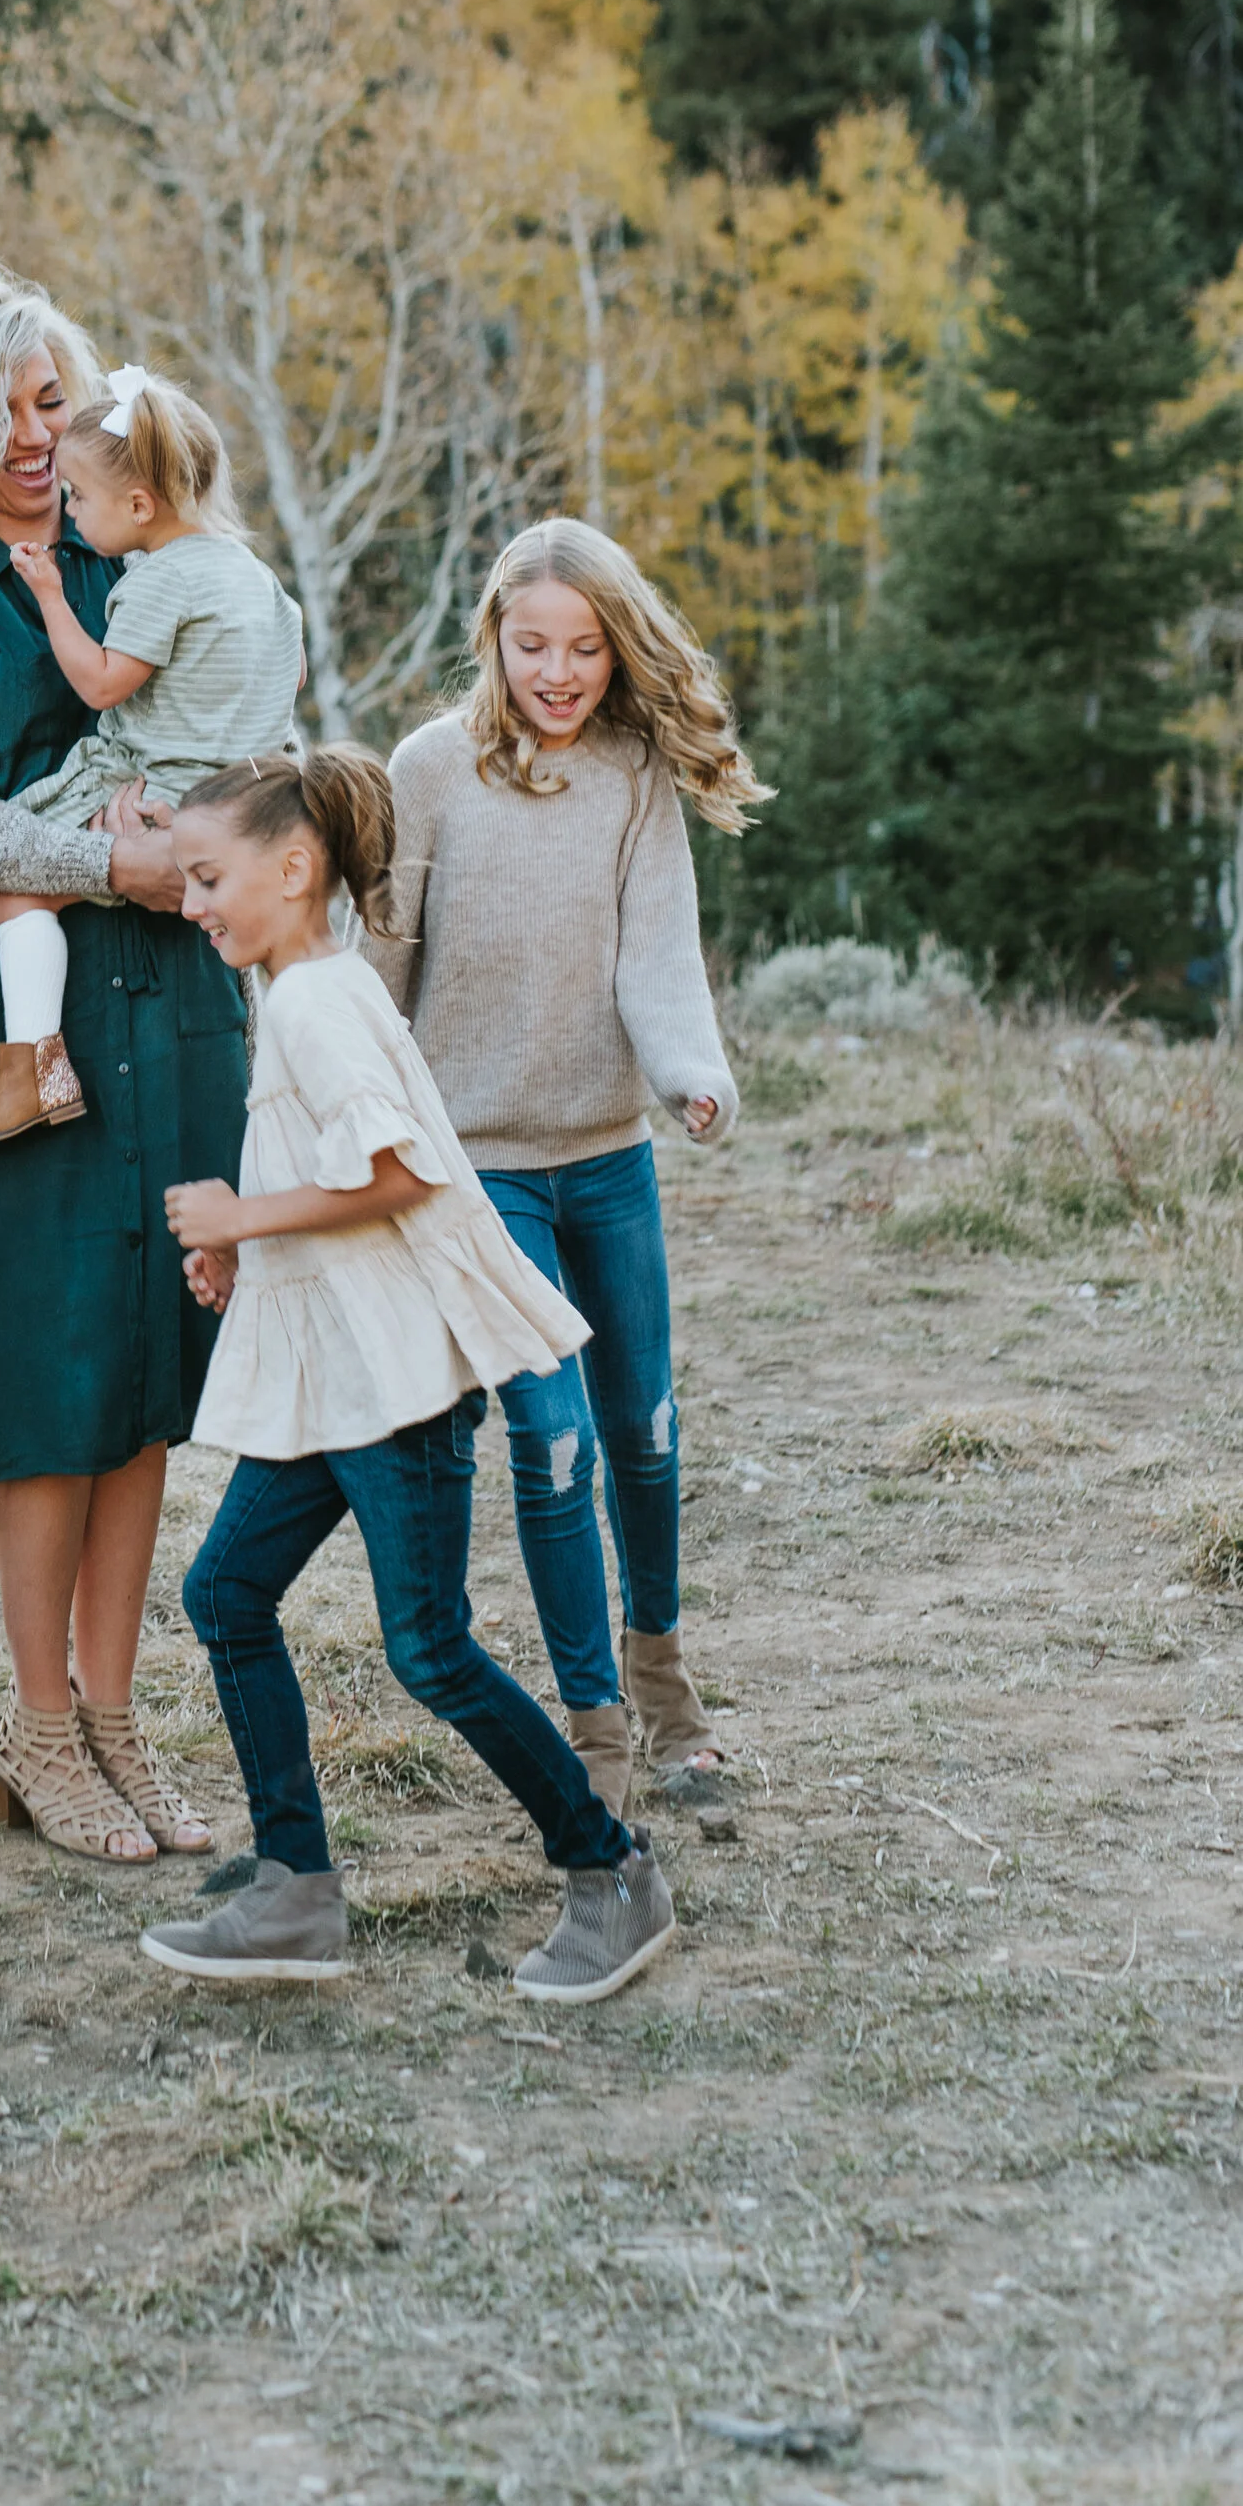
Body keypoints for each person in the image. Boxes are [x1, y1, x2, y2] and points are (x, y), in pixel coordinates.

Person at [143, 750, 676, 2004]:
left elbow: (400, 1177)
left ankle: (611, 1869)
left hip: (397, 1389)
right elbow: (332, 1171)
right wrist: (249, 1238)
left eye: (209, 877)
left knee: (428, 1649)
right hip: (337, 1381)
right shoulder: (297, 992)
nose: (194, 902)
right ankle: (293, 1890)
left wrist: (235, 1214)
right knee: (225, 1594)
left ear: (294, 867)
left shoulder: (319, 1003)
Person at [0, 265, 244, 1866]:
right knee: (50, 1375)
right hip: (39, 1031)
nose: (43, 433)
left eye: (58, 404)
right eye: (14, 405)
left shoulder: (137, 559)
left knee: (152, 1365)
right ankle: (31, 1723)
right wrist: (102, 865)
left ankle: (114, 1713)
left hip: (183, 999)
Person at [380, 518, 766, 1819]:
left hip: (607, 1158)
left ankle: (666, 1693)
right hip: (481, 1171)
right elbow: (380, 965)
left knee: (643, 1433)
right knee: (549, 1446)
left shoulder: (631, 776)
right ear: (492, 634)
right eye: (533, 643)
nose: (557, 671)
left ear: (615, 649)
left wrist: (689, 1071)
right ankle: (592, 1725)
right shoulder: (427, 771)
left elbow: (656, 949)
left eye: (585, 647)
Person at [0, 363, 303, 1145]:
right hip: (238, 800)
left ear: (139, 505)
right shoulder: (258, 579)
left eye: (80, 498)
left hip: (148, 790)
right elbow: (288, 679)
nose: (69, 510)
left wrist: (45, 593)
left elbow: (103, 683)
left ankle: (33, 1067)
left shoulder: (155, 582)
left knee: (20, 875)